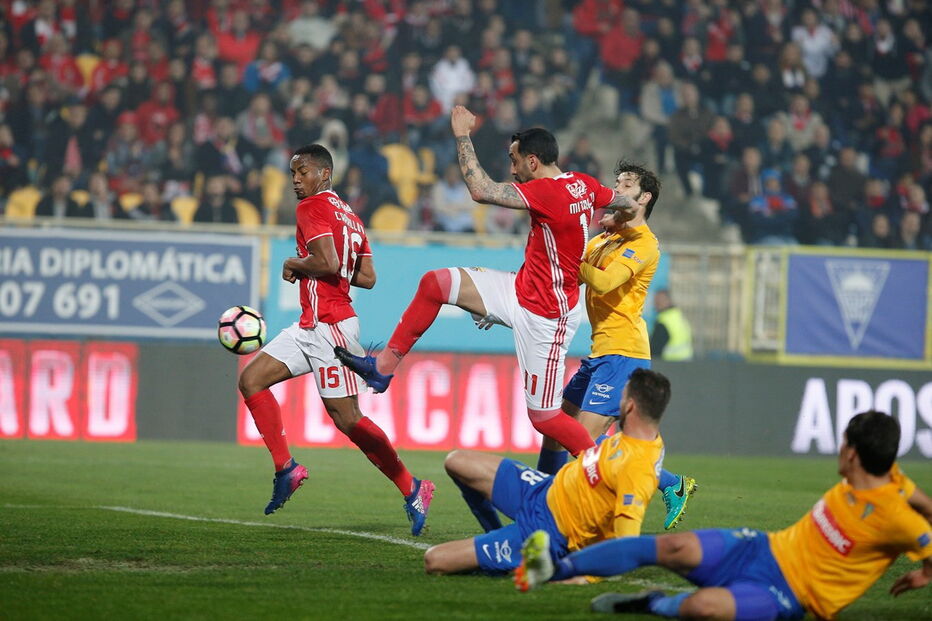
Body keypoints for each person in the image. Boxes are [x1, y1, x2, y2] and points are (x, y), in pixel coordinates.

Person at [336, 106, 636, 458]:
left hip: (547, 316)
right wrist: (627, 214)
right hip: (521, 289)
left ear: (533, 161)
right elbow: (621, 201)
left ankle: (606, 470)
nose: (512, 170)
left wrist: (462, 134)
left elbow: (480, 190)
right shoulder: (583, 183)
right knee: (436, 284)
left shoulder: (547, 192)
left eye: (515, 161)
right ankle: (382, 369)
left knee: (544, 418)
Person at [516, 411, 932, 621]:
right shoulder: (892, 478)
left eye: (843, 445)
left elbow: (919, 526)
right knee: (671, 546)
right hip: (763, 547)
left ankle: (653, 603)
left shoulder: (897, 518)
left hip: (787, 594)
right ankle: (554, 568)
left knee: (704, 608)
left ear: (852, 454)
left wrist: (926, 571)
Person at [237, 144, 434, 535]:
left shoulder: (311, 207)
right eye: (293, 173)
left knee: (348, 420)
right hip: (310, 325)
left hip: (332, 327)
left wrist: (294, 263)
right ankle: (286, 469)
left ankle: (413, 487)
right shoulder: (350, 215)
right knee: (251, 380)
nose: (296, 180)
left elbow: (326, 262)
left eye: (303, 172)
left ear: (324, 173)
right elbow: (367, 277)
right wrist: (325, 268)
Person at [533, 162, 695, 533]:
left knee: (584, 443)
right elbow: (566, 274)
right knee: (556, 430)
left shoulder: (645, 244)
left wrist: (571, 256)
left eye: (626, 185)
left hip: (624, 353)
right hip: (600, 352)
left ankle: (548, 515)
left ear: (645, 197)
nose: (616, 189)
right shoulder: (604, 239)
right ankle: (538, 501)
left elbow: (604, 282)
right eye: (616, 183)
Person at [423, 368, 672, 576]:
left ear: (630, 406)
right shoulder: (636, 439)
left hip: (551, 529)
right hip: (543, 489)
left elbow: (626, 546)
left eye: (622, 396)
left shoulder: (638, 468)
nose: (617, 401)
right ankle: (495, 538)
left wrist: (585, 577)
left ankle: (513, 551)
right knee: (456, 461)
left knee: (435, 560)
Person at [650, 290, 694, 362]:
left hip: (670, 362)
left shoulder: (664, 320)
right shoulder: (678, 315)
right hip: (686, 360)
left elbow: (655, 349)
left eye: (659, 301)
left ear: (668, 301)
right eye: (656, 301)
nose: (657, 304)